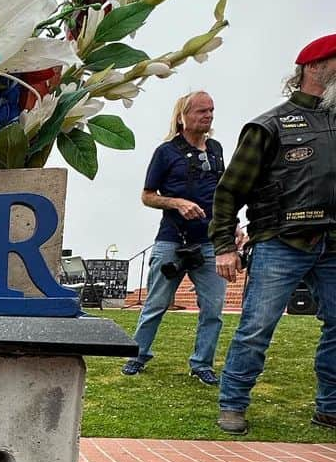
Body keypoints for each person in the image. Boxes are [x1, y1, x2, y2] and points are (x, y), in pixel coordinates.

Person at [212, 34, 336, 434]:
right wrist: (224, 247)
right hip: (280, 242)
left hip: (332, 245)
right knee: (256, 327)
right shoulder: (270, 125)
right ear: (314, 68)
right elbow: (230, 190)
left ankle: (330, 407)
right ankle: (232, 403)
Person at [121, 92, 227, 384]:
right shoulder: (166, 152)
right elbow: (147, 196)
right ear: (183, 115)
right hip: (172, 240)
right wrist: (177, 203)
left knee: (213, 309)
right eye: (201, 111)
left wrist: (234, 227)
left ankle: (202, 364)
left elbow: (223, 195)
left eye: (211, 110)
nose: (208, 116)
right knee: (156, 303)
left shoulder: (216, 150)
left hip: (209, 242)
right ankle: (137, 356)